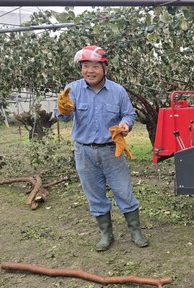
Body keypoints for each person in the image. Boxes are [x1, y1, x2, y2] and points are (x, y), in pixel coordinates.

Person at [55, 45, 148, 251]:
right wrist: (62, 110)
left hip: (111, 151)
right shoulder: (73, 89)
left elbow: (129, 114)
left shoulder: (117, 91)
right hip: (84, 152)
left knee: (123, 191)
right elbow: (64, 116)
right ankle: (106, 234)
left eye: (95, 66)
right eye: (85, 66)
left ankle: (135, 231)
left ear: (105, 68)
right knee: (94, 194)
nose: (90, 70)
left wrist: (126, 124)